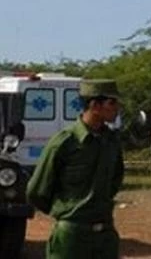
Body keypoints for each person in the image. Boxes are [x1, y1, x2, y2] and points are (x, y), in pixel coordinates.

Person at [26, 79, 125, 259]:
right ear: (94, 105)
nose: (117, 108)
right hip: (72, 237)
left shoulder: (111, 142)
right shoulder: (64, 142)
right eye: (112, 102)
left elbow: (115, 180)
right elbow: (37, 190)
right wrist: (68, 212)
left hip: (105, 235)